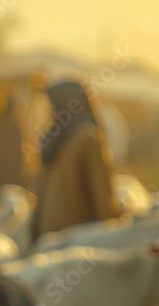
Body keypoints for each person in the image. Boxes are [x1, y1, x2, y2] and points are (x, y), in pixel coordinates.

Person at [30, 80, 121, 240]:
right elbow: (102, 196)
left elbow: (99, 193)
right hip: (67, 239)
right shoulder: (65, 137)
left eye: (54, 106)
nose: (50, 112)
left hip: (62, 238)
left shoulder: (77, 138)